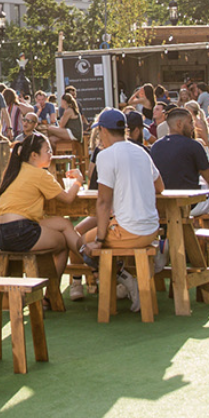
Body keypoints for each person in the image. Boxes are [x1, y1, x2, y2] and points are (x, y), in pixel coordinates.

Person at [75, 108, 162, 311]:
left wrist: (99, 240)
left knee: (81, 244)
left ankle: (127, 279)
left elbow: (103, 202)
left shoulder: (106, 156)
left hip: (130, 230)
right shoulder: (142, 152)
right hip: (152, 229)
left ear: (103, 130)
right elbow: (160, 187)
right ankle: (128, 277)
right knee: (93, 235)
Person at [0, 132, 83, 271]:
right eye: (48, 151)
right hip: (20, 230)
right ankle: (89, 261)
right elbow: (68, 198)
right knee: (62, 242)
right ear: (34, 155)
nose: (51, 154)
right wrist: (79, 180)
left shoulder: (13, 171)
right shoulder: (40, 174)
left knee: (64, 223)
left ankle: (89, 259)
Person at [150, 105, 209, 216]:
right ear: (179, 124)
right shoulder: (194, 146)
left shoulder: (155, 147)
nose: (193, 127)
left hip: (163, 205)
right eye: (190, 123)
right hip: (190, 204)